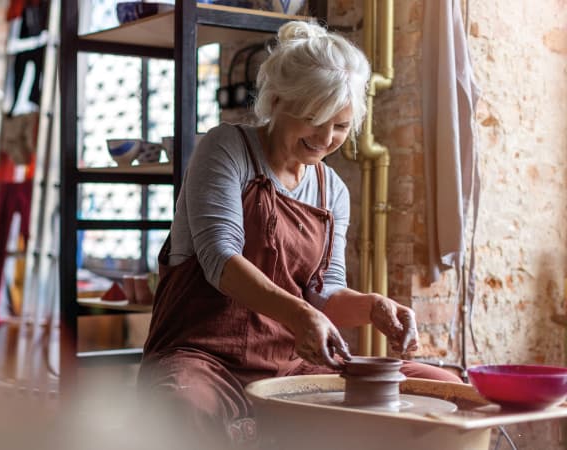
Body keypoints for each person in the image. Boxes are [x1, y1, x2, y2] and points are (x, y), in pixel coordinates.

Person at [137, 20, 462, 447]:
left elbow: (324, 292)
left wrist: (374, 307)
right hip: (204, 359)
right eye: (314, 118)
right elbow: (220, 260)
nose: (326, 138)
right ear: (277, 100)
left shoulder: (333, 191)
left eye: (341, 126)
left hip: (292, 366)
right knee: (182, 405)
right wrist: (301, 316)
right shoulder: (225, 148)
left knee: (441, 387)